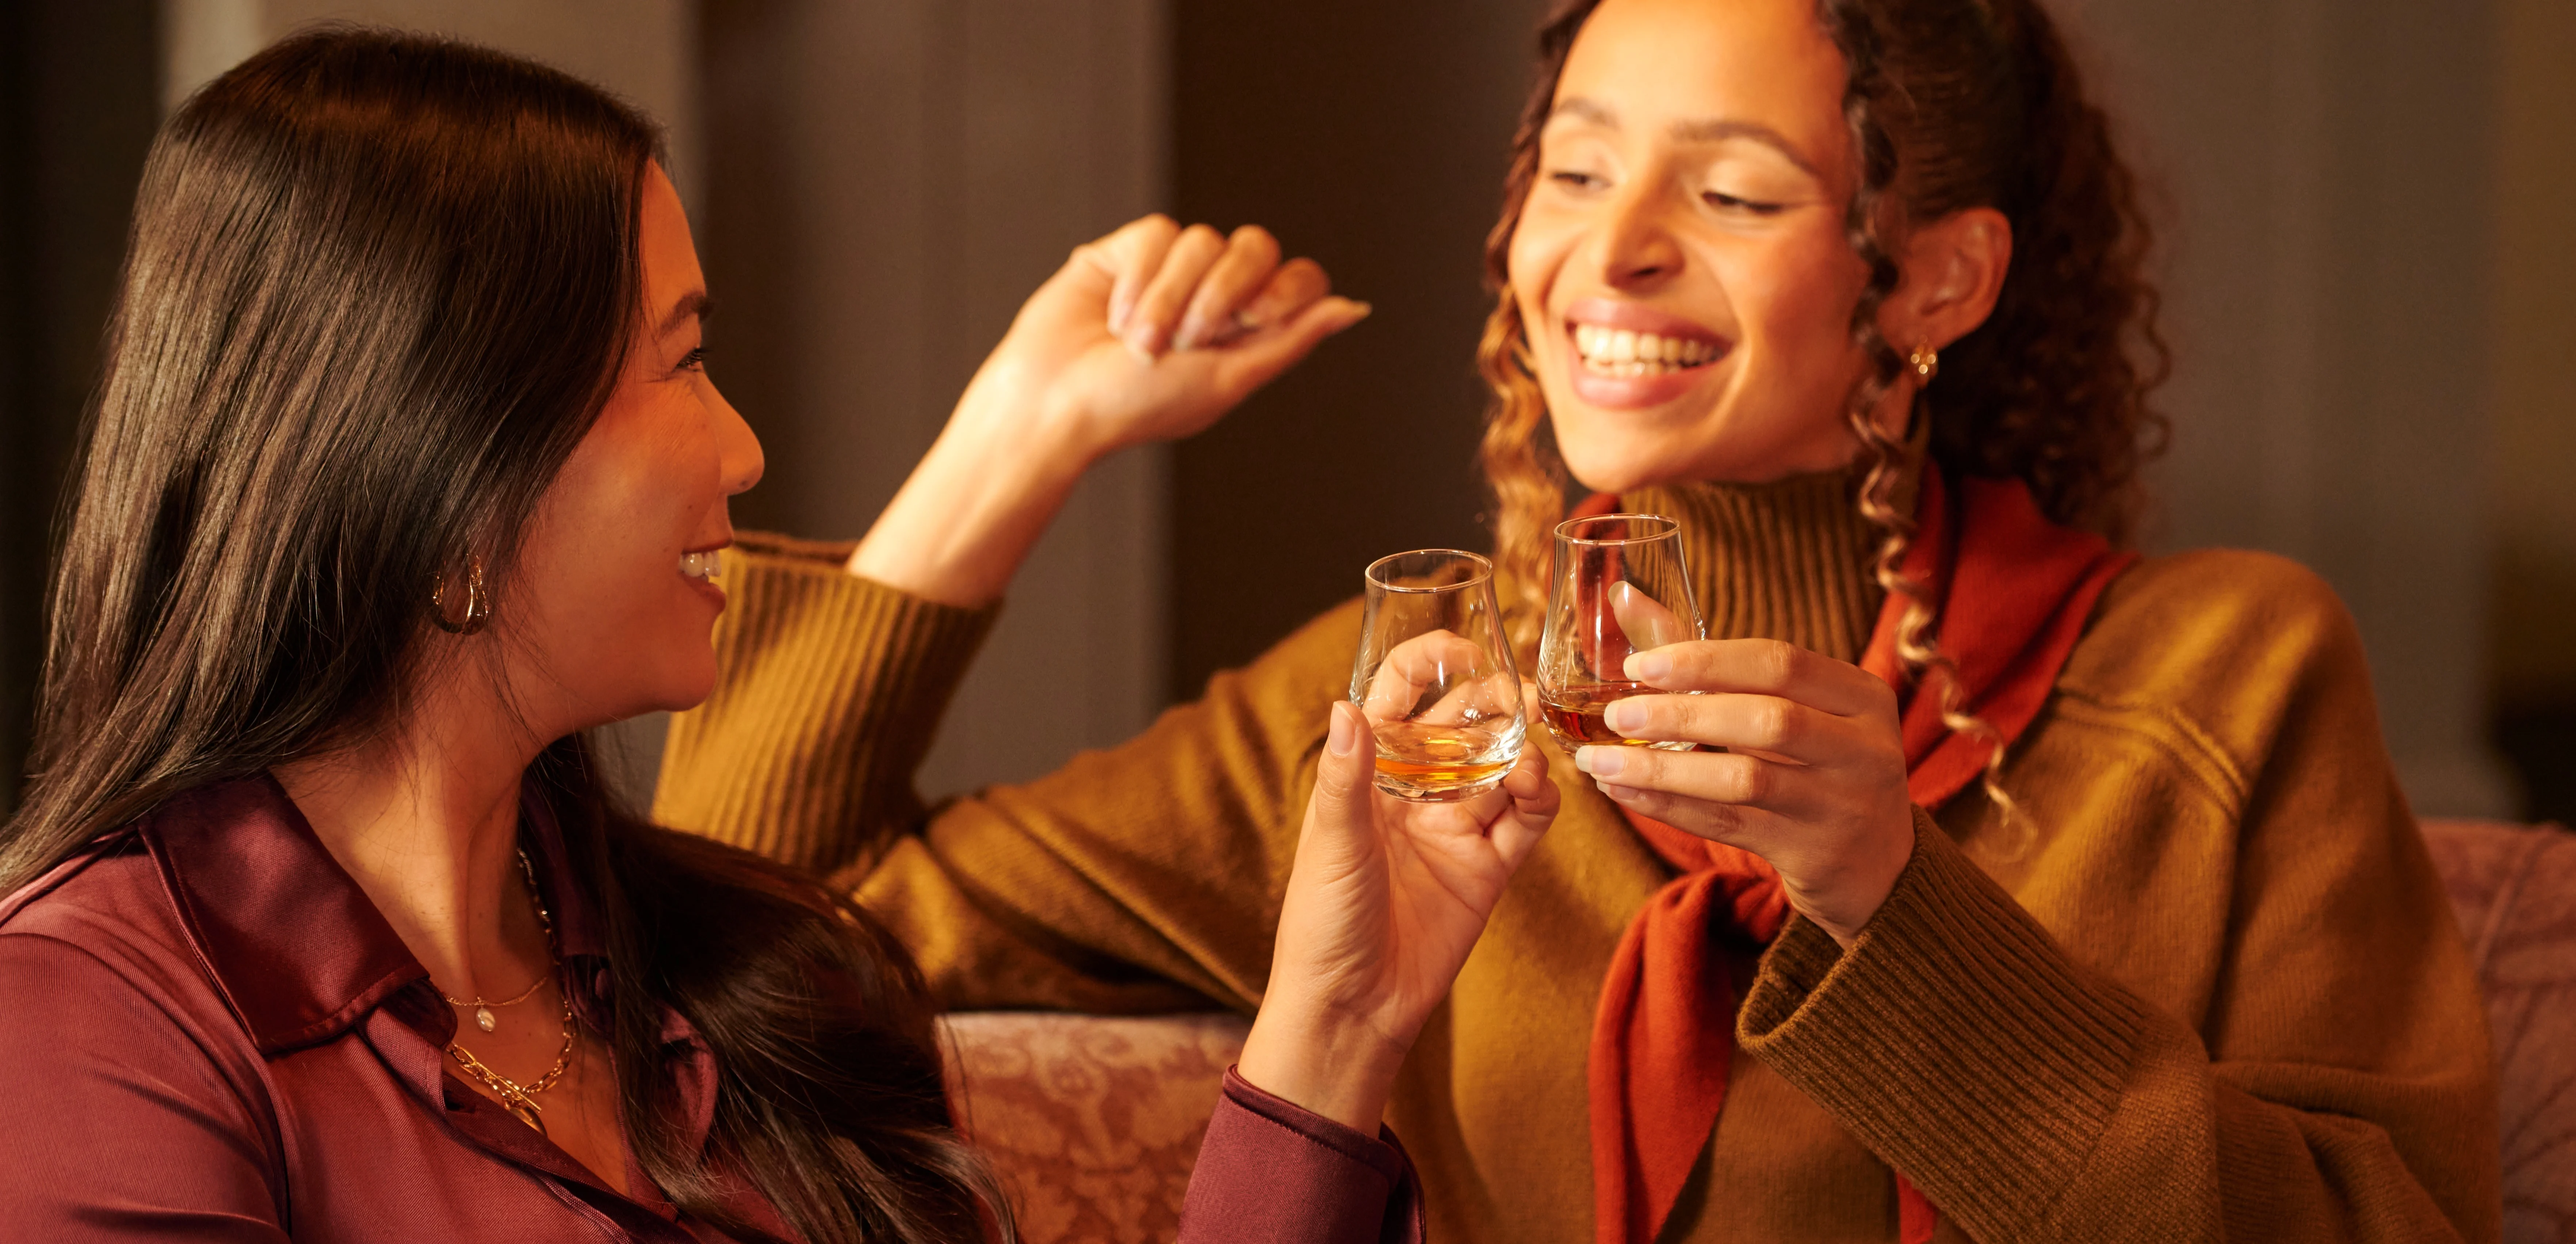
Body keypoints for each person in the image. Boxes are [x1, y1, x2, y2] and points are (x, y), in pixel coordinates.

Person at [656, 0, 2504, 1241]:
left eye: (1732, 189)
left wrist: (1895, 906)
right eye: (1572, 167)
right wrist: (1015, 437)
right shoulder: (1416, 719)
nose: (1607, 252)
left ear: (1932, 281)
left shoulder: (2225, 673)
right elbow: (735, 928)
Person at [0, 29, 1559, 1244]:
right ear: (452, 455)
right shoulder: (101, 1018)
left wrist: (1335, 1025)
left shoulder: (738, 979)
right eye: (684, 361)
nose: (744, 449)